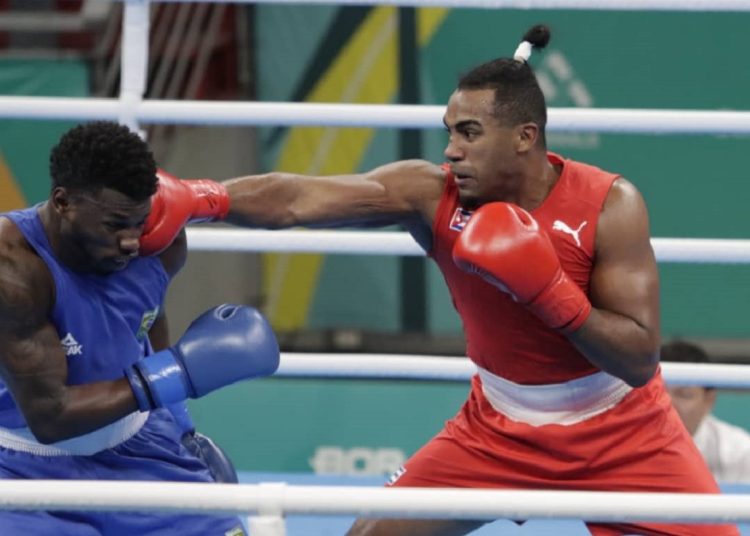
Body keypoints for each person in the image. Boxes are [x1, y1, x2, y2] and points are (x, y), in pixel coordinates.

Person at [139, 25, 738, 536]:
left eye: (469, 134)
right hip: (496, 430)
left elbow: (638, 360)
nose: (450, 151)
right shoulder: (432, 196)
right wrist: (203, 197)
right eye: (449, 130)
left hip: (621, 432)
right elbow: (301, 197)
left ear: (525, 137)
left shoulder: (610, 204)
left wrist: (549, 292)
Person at [0, 121, 280, 535]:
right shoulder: (14, 270)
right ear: (63, 203)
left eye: (139, 221)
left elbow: (144, 317)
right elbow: (51, 417)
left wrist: (177, 422)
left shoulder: (157, 239)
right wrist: (176, 375)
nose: (132, 240)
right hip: (24, 466)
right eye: (114, 225)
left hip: (139, 448)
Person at [662, 340, 750, 484]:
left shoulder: (741, 453)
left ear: (709, 400)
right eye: (659, 392)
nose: (668, 405)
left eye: (684, 395)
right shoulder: (624, 443)